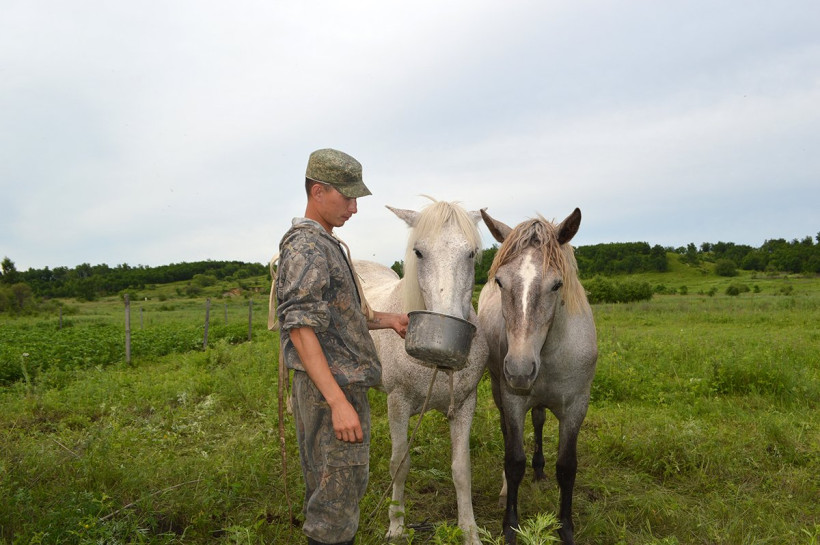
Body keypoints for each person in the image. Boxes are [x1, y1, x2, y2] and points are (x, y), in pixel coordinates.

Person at [274, 148, 409, 545]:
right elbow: (301, 329)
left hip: (338, 387)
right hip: (329, 390)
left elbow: (339, 315)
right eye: (347, 197)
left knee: (339, 491)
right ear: (318, 191)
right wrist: (337, 402)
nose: (354, 207)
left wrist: (388, 319)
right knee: (334, 504)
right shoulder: (306, 248)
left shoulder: (326, 243)